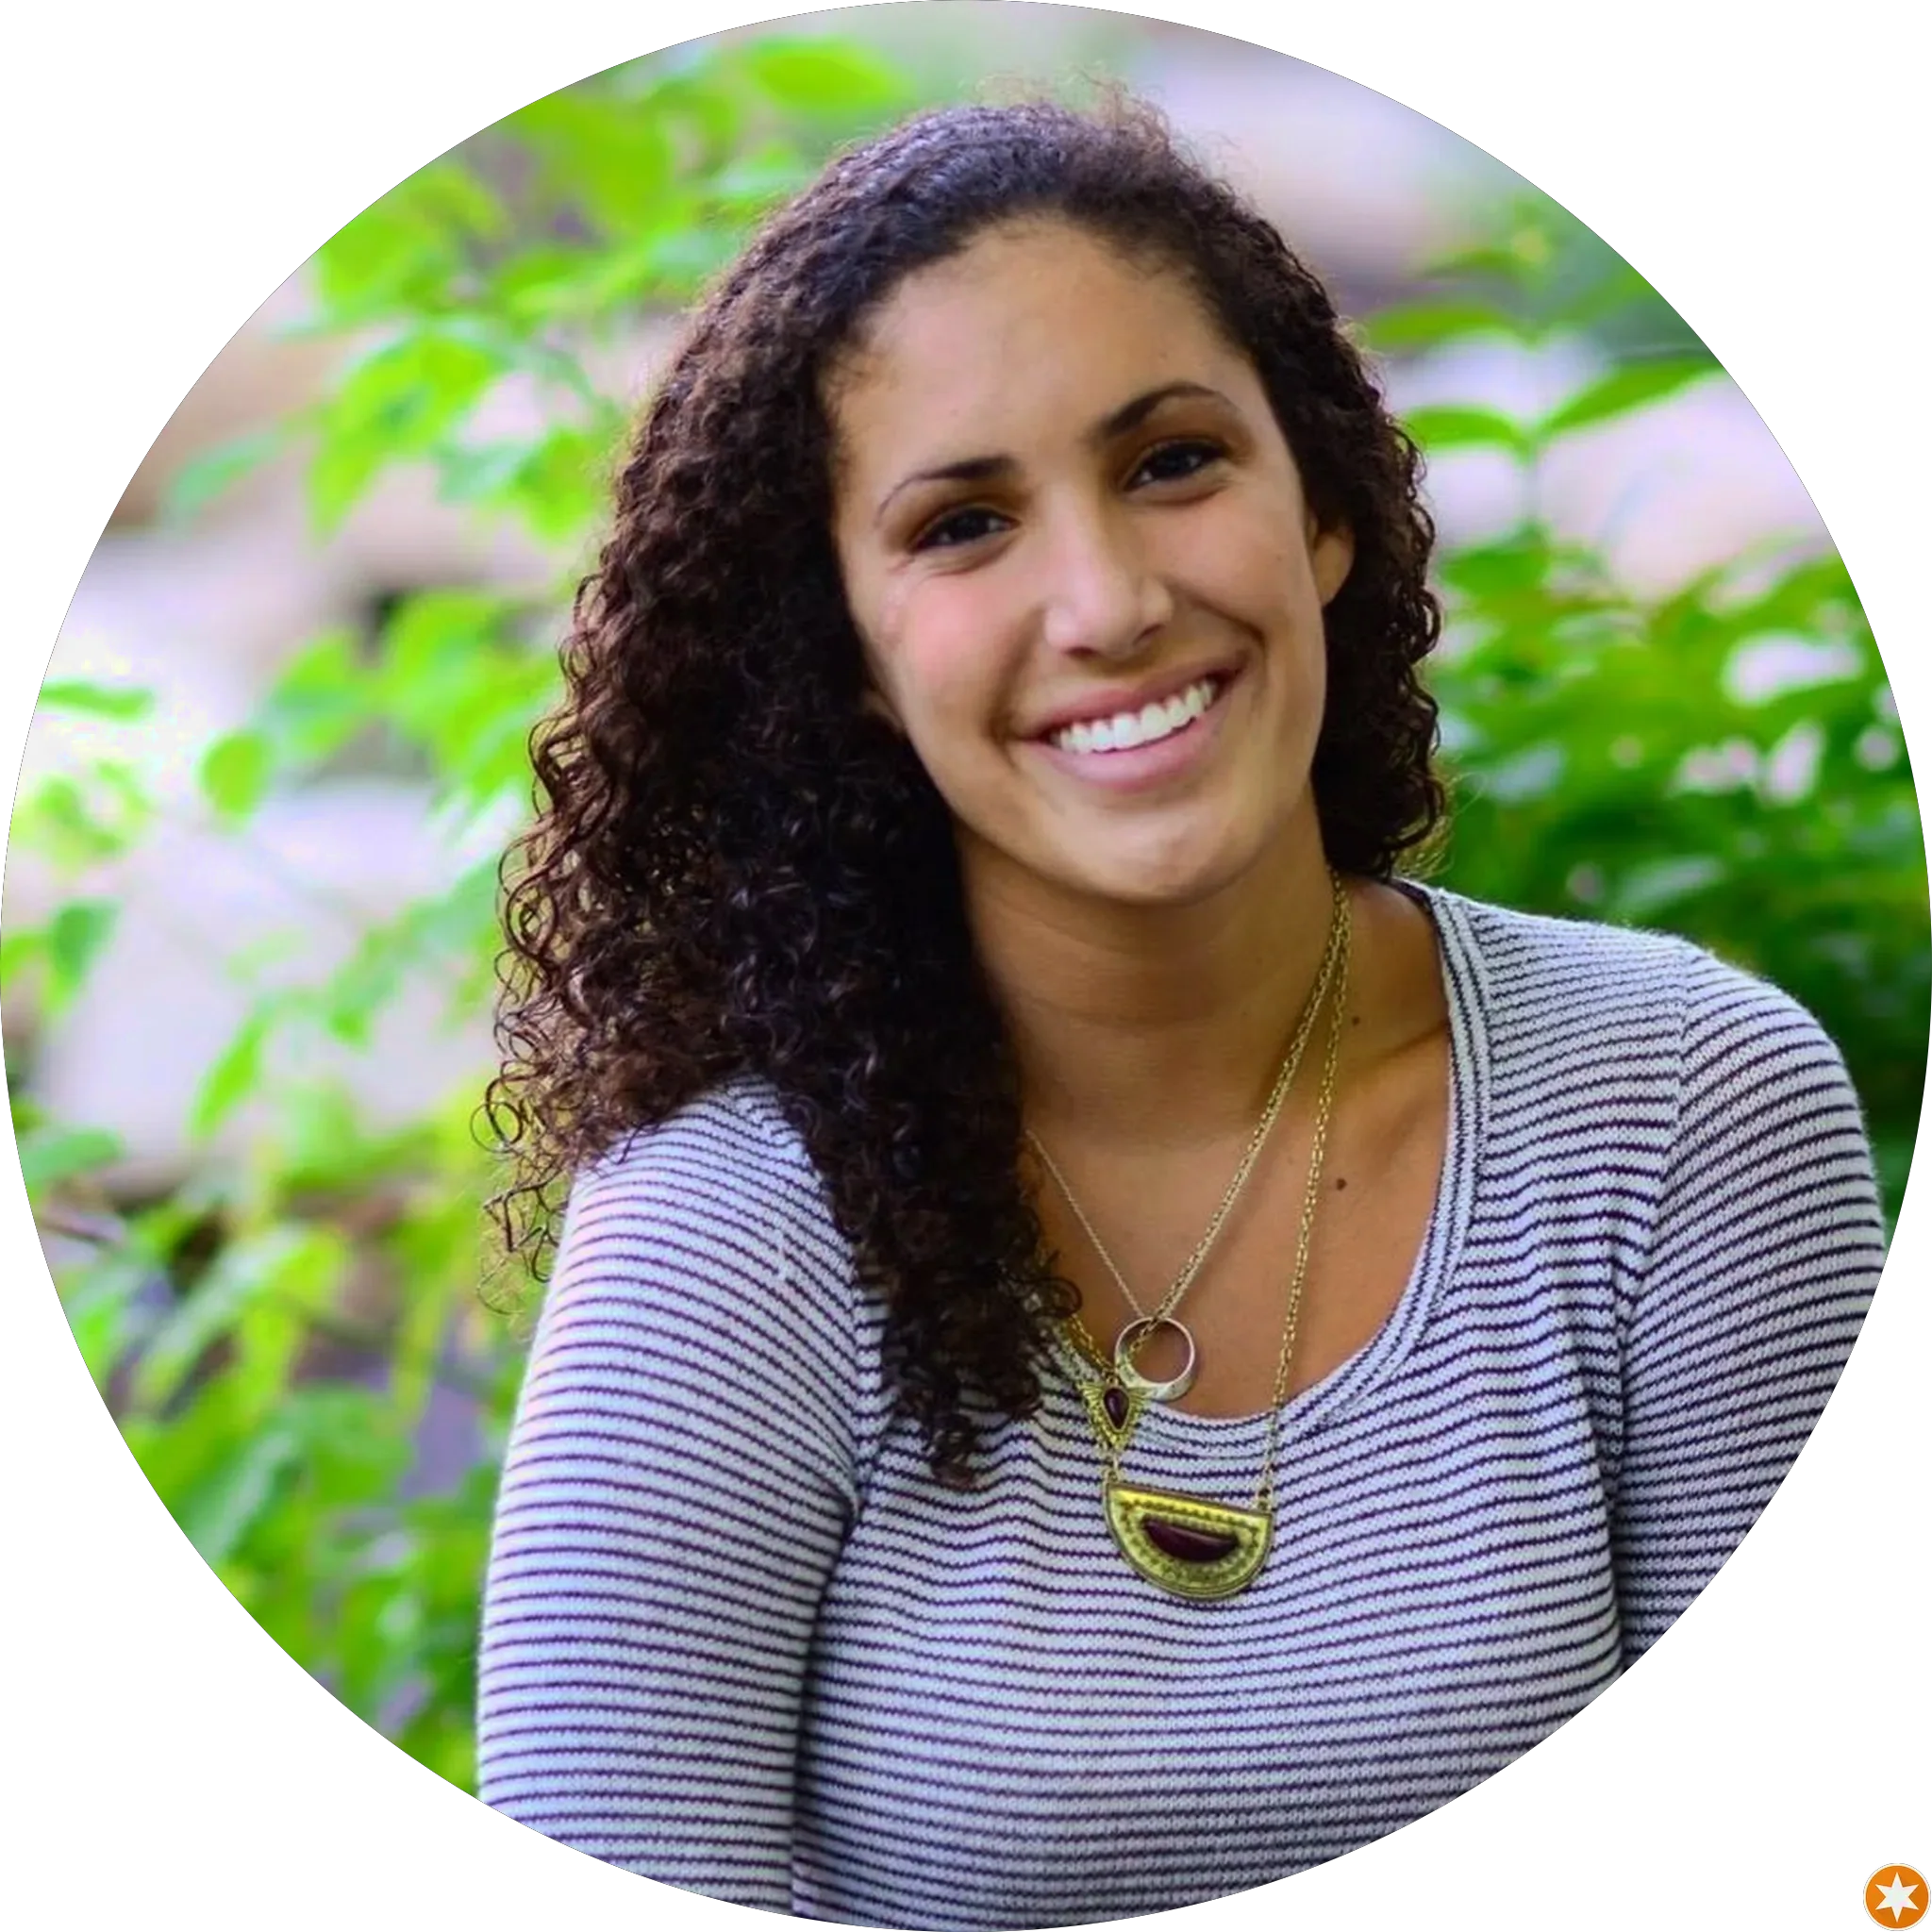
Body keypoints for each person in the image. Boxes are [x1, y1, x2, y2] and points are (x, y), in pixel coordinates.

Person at [474, 92, 1886, 1930]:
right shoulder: (726, 1232)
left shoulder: (1683, 1109)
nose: (1109, 601)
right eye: (964, 524)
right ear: (855, 666)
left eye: (1170, 463)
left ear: (1322, 513)